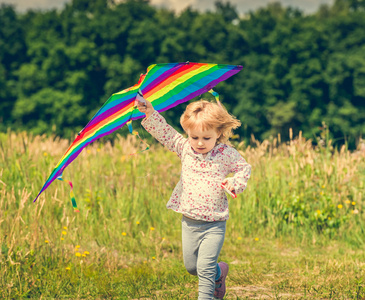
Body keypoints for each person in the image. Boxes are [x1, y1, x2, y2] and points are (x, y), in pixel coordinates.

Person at [137, 98, 251, 300]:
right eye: (194, 137)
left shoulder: (225, 153)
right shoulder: (185, 149)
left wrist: (234, 183)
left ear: (218, 133)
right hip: (189, 222)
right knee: (192, 267)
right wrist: (150, 113)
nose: (199, 143)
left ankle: (209, 288)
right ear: (188, 133)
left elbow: (243, 168)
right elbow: (166, 134)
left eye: (206, 138)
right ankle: (219, 273)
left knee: (204, 268)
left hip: (214, 223)